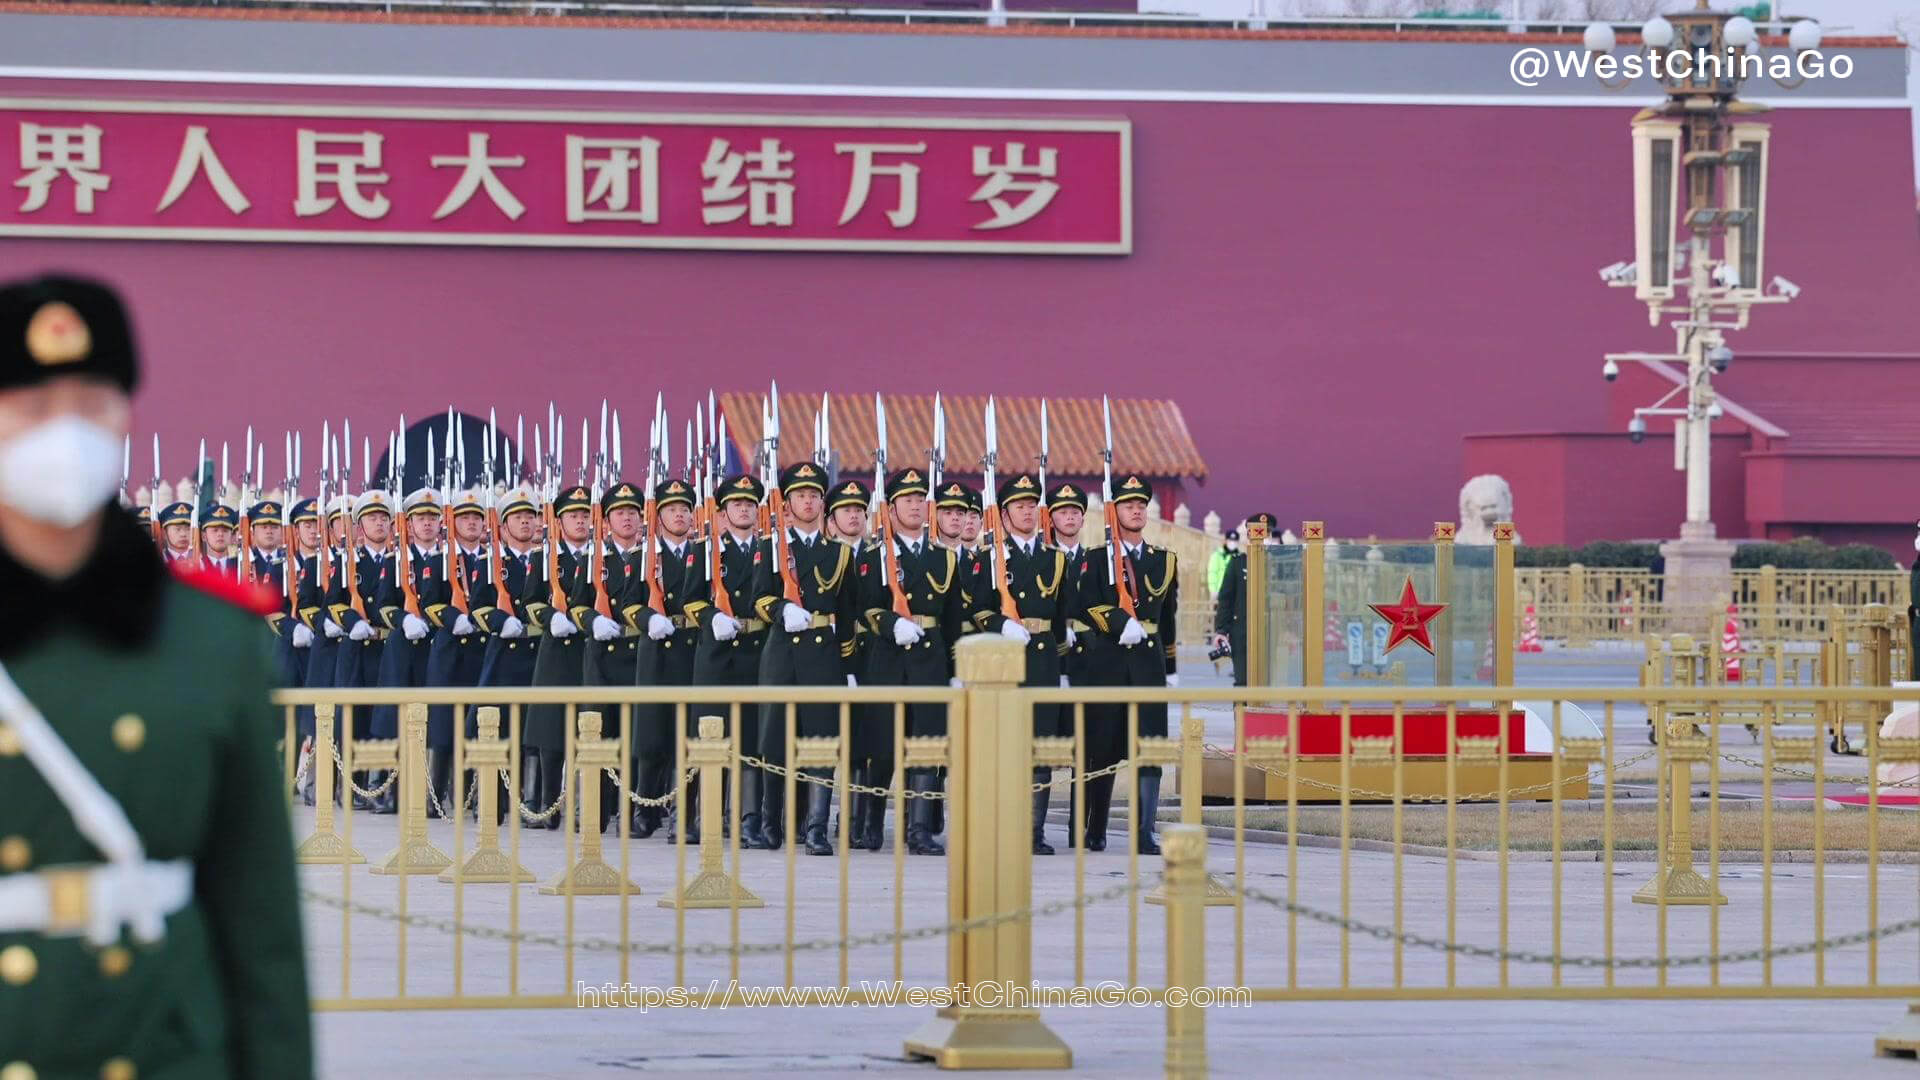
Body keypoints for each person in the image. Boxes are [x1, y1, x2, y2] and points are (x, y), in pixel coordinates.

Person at [0, 272, 312, 1078]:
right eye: (33, 409)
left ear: (126, 417)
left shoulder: (212, 637)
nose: (65, 434)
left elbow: (259, 918)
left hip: (162, 1043)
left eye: (93, 405)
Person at [751, 462, 861, 854]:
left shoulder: (840, 554)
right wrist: (782, 611)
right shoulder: (772, 547)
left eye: (814, 495)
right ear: (789, 503)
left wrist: (848, 666)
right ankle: (770, 824)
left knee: (821, 741)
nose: (809, 501)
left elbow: (847, 614)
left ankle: (815, 827)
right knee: (775, 741)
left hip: (824, 656)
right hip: (781, 653)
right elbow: (759, 597)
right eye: (801, 495)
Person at [855, 470, 963, 855]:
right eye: (907, 500)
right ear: (893, 507)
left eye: (920, 500)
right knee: (882, 747)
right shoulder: (875, 555)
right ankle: (870, 820)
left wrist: (955, 671)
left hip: (930, 659)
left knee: (927, 745)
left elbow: (952, 621)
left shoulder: (944, 559)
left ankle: (918, 830)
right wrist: (890, 624)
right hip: (886, 658)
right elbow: (865, 607)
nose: (915, 506)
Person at [1074, 473, 1179, 854]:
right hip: (1109, 661)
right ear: (1113, 511)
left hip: (1148, 664)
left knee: (1149, 748)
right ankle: (1096, 827)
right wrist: (1120, 622)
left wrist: (1171, 668)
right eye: (1127, 505)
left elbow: (1168, 617)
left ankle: (1143, 831)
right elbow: (1084, 604)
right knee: (1103, 748)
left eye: (1140, 505)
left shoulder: (1164, 561)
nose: (1136, 510)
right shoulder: (1095, 558)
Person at [969, 472, 1071, 854]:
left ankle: (1033, 831)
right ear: (1006, 514)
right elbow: (976, 610)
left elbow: (1061, 620)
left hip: (1043, 660)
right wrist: (1001, 625)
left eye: (1032, 505)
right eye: (1019, 506)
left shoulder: (1055, 560)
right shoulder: (990, 557)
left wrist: (1062, 672)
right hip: (1003, 661)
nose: (1027, 512)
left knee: (1039, 748)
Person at [677, 474, 770, 846]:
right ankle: (706, 816)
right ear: (724, 512)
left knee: (750, 740)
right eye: (737, 504)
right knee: (709, 738)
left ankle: (747, 820)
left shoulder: (770, 547)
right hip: (715, 654)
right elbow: (690, 598)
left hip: (756, 650)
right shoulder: (704, 550)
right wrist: (711, 616)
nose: (744, 508)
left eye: (750, 503)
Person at [523, 484, 595, 829]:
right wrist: (551, 618)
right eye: (573, 516)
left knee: (591, 730)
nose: (580, 522)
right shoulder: (545, 557)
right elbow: (531, 602)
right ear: (559, 521)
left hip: (591, 650)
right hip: (556, 650)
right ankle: (547, 804)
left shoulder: (601, 555)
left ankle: (590, 808)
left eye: (584, 515)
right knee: (550, 734)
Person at [423, 489, 492, 814]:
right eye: (466, 518)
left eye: (477, 518)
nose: (472, 523)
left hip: (481, 649)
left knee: (478, 725)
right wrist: (454, 619)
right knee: (443, 726)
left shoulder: (493, 560)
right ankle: (435, 795)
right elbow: (429, 602)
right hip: (450, 650)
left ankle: (471, 795)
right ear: (453, 522)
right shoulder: (440, 559)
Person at [1211, 512, 1277, 688]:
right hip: (1242, 632)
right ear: (1249, 535)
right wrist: (1221, 630)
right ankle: (1241, 716)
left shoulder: (1278, 564)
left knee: (1271, 682)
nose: (1264, 538)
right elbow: (1226, 599)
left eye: (1268, 533)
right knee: (1243, 681)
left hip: (1273, 631)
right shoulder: (1238, 563)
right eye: (1260, 533)